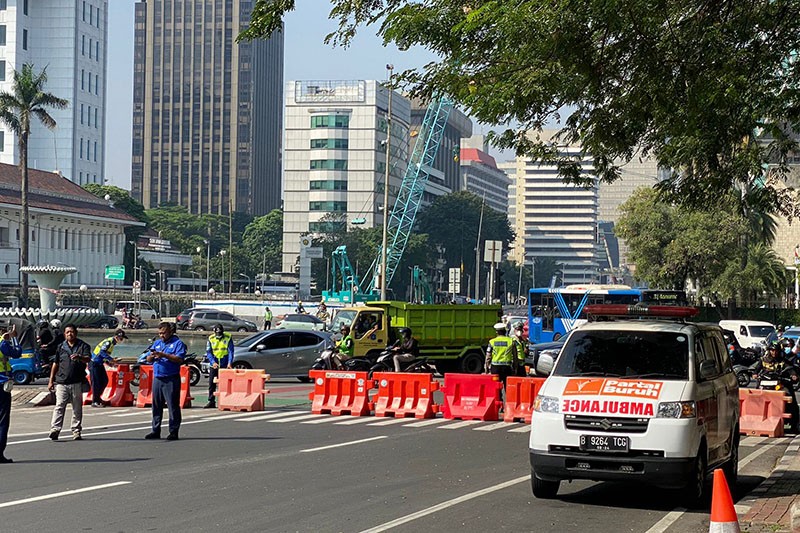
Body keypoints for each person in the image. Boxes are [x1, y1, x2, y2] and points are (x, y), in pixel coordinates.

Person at [48, 324, 91, 441]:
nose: (69, 334)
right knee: (59, 406)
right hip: (62, 382)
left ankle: (76, 431)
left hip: (77, 382)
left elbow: (88, 358)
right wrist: (51, 381)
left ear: (75, 333)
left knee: (77, 408)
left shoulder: (83, 346)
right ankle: (55, 429)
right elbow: (55, 364)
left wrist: (80, 357)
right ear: (64, 334)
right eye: (67, 332)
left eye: (71, 332)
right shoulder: (60, 347)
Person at [144, 322, 187, 440]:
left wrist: (164, 355)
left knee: (172, 406)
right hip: (158, 378)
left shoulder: (178, 344)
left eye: (164, 333)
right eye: (160, 333)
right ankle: (155, 430)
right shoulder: (157, 343)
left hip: (171, 378)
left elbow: (179, 359)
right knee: (156, 406)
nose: (161, 335)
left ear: (170, 332)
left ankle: (173, 431)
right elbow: (147, 358)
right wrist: (152, 356)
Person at [752, 341, 799, 432]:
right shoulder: (763, 360)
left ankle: (795, 424)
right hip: (765, 383)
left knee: (790, 398)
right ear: (769, 351)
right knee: (755, 397)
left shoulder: (783, 361)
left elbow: (791, 370)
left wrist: (794, 375)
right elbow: (756, 370)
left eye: (776, 350)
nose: (774, 352)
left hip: (780, 384)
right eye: (772, 350)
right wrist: (755, 374)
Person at [0, 325, 21, 463]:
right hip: (1, 383)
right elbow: (17, 353)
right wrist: (13, 338)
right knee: (2, 420)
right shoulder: (2, 343)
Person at [89, 329, 127, 407]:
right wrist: (112, 359)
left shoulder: (112, 344)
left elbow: (104, 356)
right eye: (121, 338)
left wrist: (110, 363)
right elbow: (101, 352)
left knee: (104, 381)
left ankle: (98, 398)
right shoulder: (108, 342)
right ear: (117, 337)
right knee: (96, 383)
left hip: (99, 363)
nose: (122, 340)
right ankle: (95, 401)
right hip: (94, 363)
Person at [204, 324, 233, 409]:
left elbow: (231, 351)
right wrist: (213, 362)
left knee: (225, 384)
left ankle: (225, 401)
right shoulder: (211, 338)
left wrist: (229, 363)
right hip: (215, 363)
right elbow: (208, 352)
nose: (219, 336)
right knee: (211, 383)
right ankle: (211, 401)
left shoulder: (228, 337)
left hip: (224, 362)